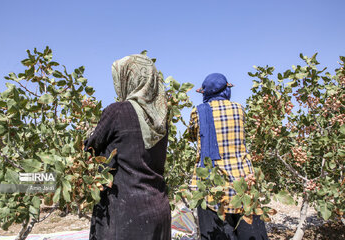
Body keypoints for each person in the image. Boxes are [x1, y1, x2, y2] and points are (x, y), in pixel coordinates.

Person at [84, 54, 171, 240]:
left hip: (124, 214)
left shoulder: (117, 111)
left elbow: (88, 148)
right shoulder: (162, 118)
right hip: (159, 209)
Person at [188, 73, 268, 240]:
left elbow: (191, 135)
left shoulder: (198, 112)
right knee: (251, 234)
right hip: (243, 184)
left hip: (212, 187)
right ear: (226, 90)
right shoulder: (239, 109)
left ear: (205, 93)